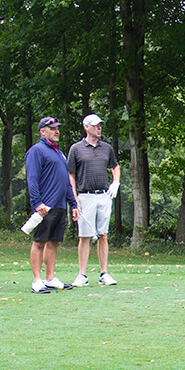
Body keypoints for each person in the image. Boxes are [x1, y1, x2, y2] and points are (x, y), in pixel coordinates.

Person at [67, 113, 122, 287]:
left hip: (104, 195)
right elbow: (71, 175)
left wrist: (115, 182)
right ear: (86, 127)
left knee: (103, 234)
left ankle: (104, 273)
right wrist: (74, 199)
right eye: (96, 125)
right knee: (85, 235)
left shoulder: (106, 148)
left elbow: (115, 166)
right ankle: (82, 275)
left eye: (100, 125)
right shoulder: (76, 149)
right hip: (85, 196)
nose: (99, 128)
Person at [25, 117, 79, 294]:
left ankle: (50, 278)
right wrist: (37, 202)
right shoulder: (37, 151)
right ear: (42, 131)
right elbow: (32, 180)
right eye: (52, 128)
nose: (56, 131)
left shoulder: (59, 153)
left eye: (57, 128)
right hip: (44, 206)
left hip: (59, 205)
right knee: (39, 241)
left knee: (54, 242)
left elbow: (66, 181)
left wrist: (73, 203)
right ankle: (37, 280)